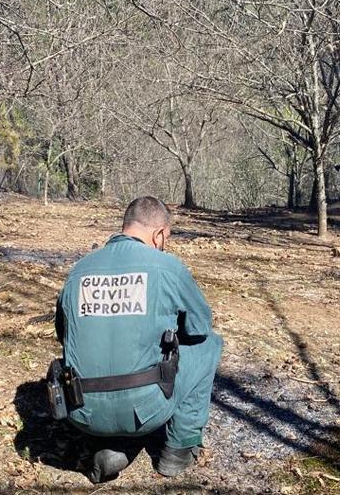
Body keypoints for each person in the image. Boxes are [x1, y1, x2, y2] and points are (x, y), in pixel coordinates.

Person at [54, 196, 223, 483]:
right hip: (145, 411)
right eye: (166, 237)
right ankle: (178, 450)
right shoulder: (166, 266)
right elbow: (199, 328)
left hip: (81, 411)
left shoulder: (79, 270)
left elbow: (64, 334)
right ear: (158, 234)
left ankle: (111, 447)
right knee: (210, 345)